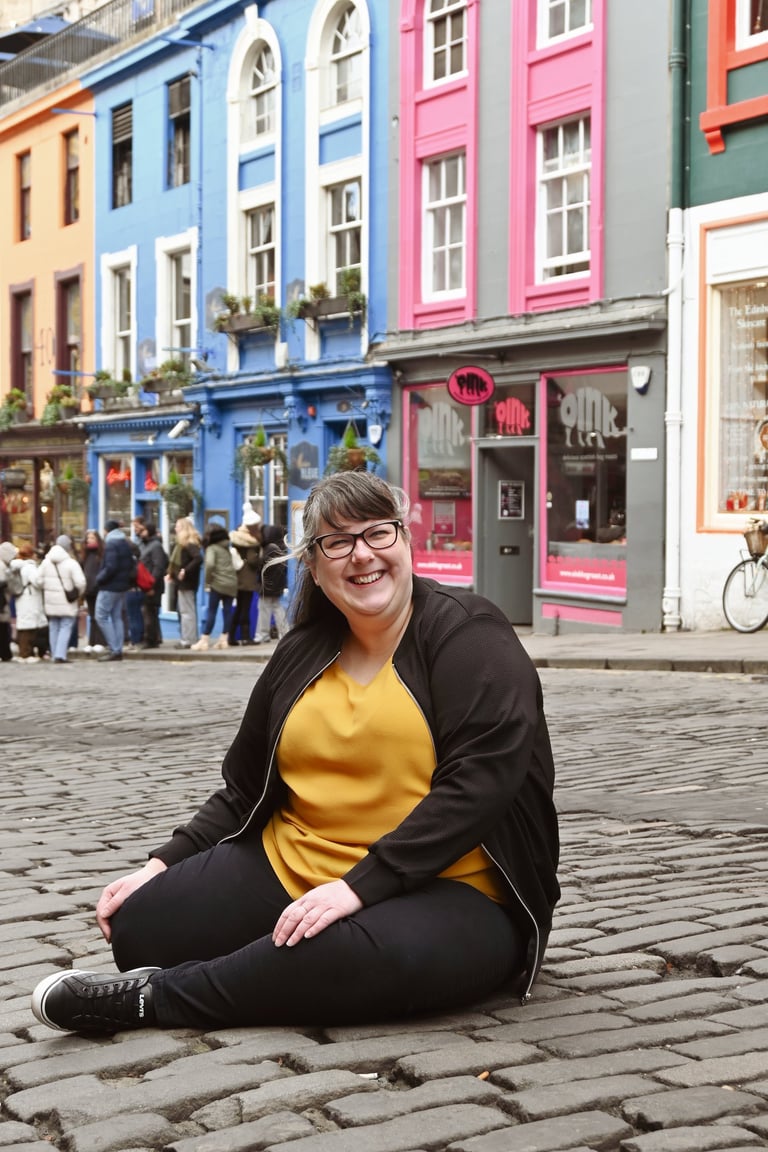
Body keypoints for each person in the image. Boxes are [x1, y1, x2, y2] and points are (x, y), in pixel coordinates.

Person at [31, 471, 560, 1036]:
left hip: (452, 886)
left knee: (348, 957)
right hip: (295, 864)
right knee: (139, 925)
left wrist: (360, 886)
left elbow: (479, 783)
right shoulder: (304, 649)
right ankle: (260, 970)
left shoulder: (468, 633)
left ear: (406, 540)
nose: (362, 555)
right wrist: (158, 866)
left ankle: (154, 999)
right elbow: (243, 787)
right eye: (338, 542)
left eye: (378, 533)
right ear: (313, 563)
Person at [36, 535, 86, 664]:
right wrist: (76, 594)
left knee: (54, 626)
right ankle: (60, 655)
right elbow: (81, 582)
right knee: (65, 626)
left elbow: (37, 580)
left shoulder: (46, 562)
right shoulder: (71, 563)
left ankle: (54, 654)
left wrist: (47, 588)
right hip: (67, 601)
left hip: (51, 601)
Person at [190, 516, 238, 651]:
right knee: (227, 611)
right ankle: (224, 640)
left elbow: (210, 564)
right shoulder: (226, 547)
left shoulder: (212, 548)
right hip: (231, 582)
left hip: (218, 583)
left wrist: (208, 580)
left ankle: (204, 640)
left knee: (212, 611)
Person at [95, 520, 135, 662]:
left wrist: (99, 579)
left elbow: (111, 566)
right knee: (116, 616)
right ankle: (118, 648)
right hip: (121, 586)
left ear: (107, 530)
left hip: (110, 586)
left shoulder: (111, 543)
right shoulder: (124, 542)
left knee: (101, 616)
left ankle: (114, 648)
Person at [228, 503, 262, 646]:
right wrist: (261, 558)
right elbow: (253, 561)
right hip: (247, 579)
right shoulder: (251, 542)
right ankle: (246, 637)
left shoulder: (237, 538)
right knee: (245, 608)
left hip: (237, 577)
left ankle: (231, 636)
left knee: (239, 608)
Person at [167, 517, 203, 649]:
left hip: (187, 583)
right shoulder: (182, 544)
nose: (175, 528)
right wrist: (172, 574)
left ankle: (189, 639)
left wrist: (184, 571)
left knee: (187, 612)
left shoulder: (189, 544)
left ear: (184, 528)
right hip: (183, 582)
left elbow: (198, 559)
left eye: (178, 526)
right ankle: (188, 637)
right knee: (185, 610)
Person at [9, 544, 46, 661]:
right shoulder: (29, 567)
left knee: (23, 625)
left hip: (21, 598)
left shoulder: (16, 566)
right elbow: (38, 582)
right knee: (29, 627)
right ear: (31, 555)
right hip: (30, 598)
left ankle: (24, 652)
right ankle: (26, 654)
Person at [253, 523, 288, 643]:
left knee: (264, 608)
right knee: (277, 607)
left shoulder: (270, 548)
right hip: (278, 584)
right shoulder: (282, 547)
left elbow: (260, 565)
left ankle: (263, 634)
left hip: (267, 584)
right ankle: (284, 633)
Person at [137, 522, 168, 649]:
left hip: (151, 585)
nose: (141, 533)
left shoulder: (155, 546)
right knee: (149, 612)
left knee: (149, 612)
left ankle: (150, 639)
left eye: (143, 530)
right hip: (144, 584)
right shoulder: (145, 544)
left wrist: (151, 584)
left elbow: (158, 567)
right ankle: (154, 637)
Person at [80, 530, 107, 653]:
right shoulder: (85, 554)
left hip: (99, 588)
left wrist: (98, 583)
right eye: (88, 538)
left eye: (92, 538)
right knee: (92, 616)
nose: (90, 540)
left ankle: (100, 641)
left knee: (99, 616)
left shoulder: (101, 554)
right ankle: (92, 641)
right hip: (88, 589)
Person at [0, 540, 18, 662]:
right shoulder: (2, 567)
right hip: (1, 603)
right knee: (3, 629)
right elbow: (7, 585)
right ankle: (5, 653)